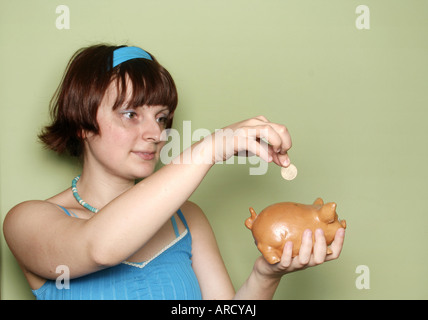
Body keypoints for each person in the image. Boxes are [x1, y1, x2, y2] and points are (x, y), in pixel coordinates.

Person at [3, 44, 345, 300]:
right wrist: (212, 146)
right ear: (82, 124)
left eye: (162, 117)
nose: (156, 133)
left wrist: (266, 275)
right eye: (130, 114)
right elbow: (99, 248)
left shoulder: (187, 220)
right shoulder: (27, 220)